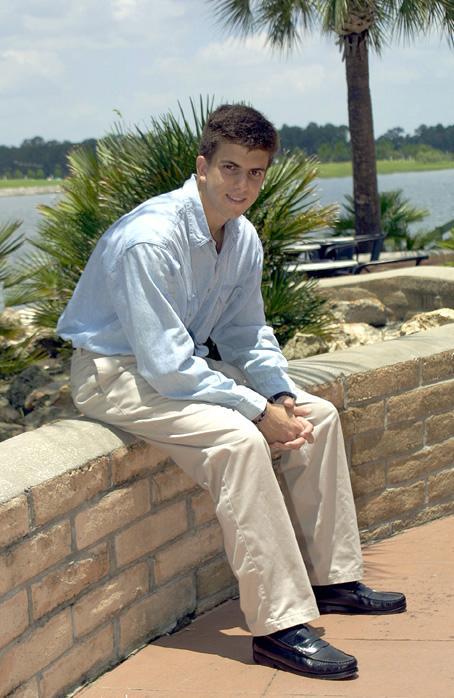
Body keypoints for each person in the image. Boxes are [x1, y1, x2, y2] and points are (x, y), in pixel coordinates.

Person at [58, 104, 406, 681]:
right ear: (202, 166)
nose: (242, 185)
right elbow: (166, 367)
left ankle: (335, 581)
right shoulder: (150, 239)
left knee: (317, 414)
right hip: (115, 374)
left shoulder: (241, 238)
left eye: (255, 172)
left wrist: (278, 394)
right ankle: (279, 627)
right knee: (238, 442)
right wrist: (256, 411)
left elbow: (247, 334)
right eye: (229, 168)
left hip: (178, 368)